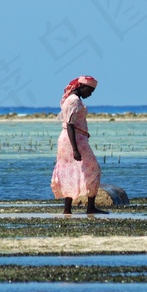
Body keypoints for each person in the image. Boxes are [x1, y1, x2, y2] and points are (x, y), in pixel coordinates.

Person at [51, 76, 108, 215]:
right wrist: (75, 149)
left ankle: (68, 209)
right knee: (94, 169)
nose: (90, 94)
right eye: (89, 90)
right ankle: (90, 207)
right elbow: (70, 125)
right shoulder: (74, 101)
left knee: (69, 172)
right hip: (73, 141)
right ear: (81, 87)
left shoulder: (72, 99)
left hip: (74, 139)